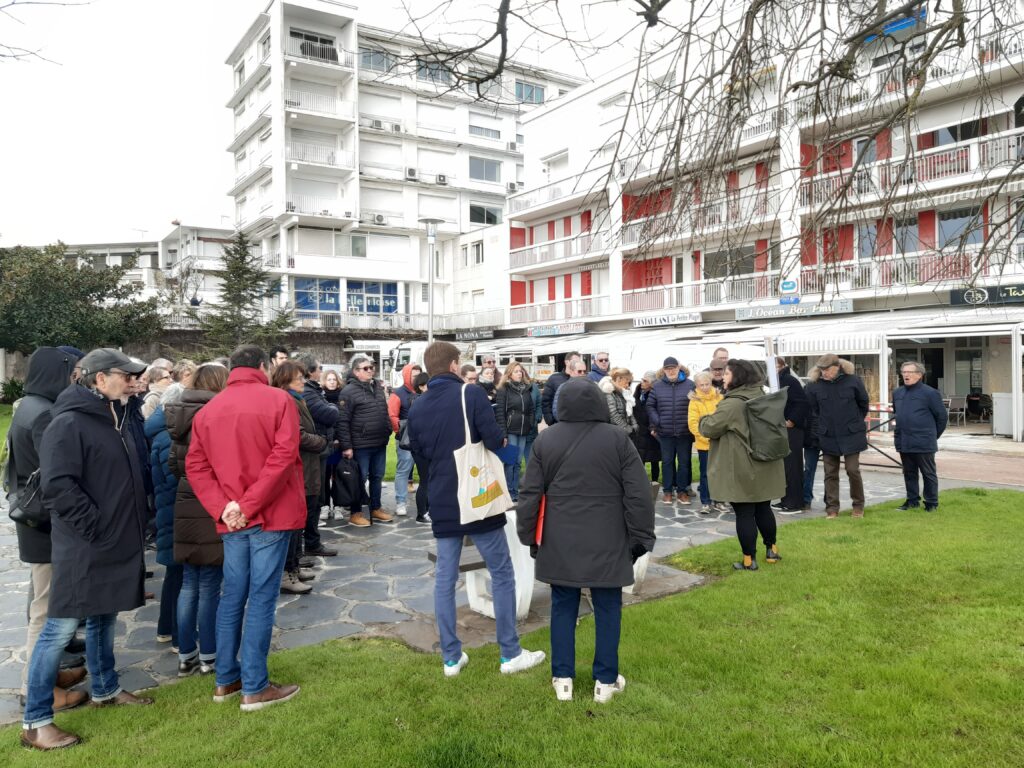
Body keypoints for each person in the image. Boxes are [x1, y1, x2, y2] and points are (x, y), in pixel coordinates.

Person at [23, 349, 153, 751]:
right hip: (84, 546)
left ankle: (106, 690)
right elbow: (59, 487)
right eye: (125, 375)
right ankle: (36, 722)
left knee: (103, 618)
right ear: (99, 379)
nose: (133, 381)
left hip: (113, 542)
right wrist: (96, 527)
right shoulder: (66, 422)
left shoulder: (117, 416)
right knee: (58, 630)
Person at [407, 341, 545, 678]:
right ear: (454, 365)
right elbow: (494, 437)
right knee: (501, 570)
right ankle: (510, 653)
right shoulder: (470, 394)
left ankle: (451, 659)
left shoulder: (418, 405)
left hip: (441, 495)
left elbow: (419, 454)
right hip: (477, 494)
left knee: (444, 578)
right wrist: (512, 458)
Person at [516, 377, 655, 703]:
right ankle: (605, 682)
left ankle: (562, 678)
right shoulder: (618, 440)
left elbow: (529, 494)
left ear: (561, 404)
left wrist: (528, 537)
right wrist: (641, 539)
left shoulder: (546, 441)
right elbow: (639, 495)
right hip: (607, 538)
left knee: (563, 606)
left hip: (560, 538)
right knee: (608, 607)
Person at [186, 345, 305, 711]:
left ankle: (227, 679)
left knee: (233, 595)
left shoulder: (209, 411)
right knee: (261, 598)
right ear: (263, 366)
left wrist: (226, 508)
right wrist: (244, 506)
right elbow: (283, 455)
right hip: (268, 514)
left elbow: (196, 466)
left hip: (234, 517)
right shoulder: (279, 400)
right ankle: (254, 685)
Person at [9, 348, 86, 721]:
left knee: (45, 603)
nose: (76, 379)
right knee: (46, 609)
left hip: (33, 521)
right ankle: (35, 688)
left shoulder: (27, 405)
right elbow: (57, 475)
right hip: (46, 527)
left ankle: (49, 673)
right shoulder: (43, 414)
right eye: (73, 373)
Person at [165, 363, 229, 678]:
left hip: (185, 500)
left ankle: (186, 653)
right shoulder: (218, 414)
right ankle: (209, 655)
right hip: (211, 502)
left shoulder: (177, 415)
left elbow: (174, 464)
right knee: (209, 584)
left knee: (189, 582)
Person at [699, 359, 785, 571]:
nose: (723, 377)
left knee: (745, 512)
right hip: (765, 461)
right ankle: (772, 551)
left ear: (737, 377)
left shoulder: (732, 403)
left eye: (727, 373)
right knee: (764, 507)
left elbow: (709, 428)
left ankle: (749, 560)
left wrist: (703, 419)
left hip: (742, 465)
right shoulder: (763, 395)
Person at [273, 361, 328, 594]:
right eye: (298, 378)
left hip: (306, 466)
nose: (303, 381)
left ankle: (294, 566)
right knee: (294, 524)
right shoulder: (287, 401)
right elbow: (298, 435)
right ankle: (287, 572)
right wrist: (321, 442)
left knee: (301, 519)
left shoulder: (298, 399)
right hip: (299, 467)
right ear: (285, 381)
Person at [806, 353, 869, 519]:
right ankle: (832, 509)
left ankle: (858, 506)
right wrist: (822, 427)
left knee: (852, 470)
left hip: (851, 434)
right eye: (821, 370)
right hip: (827, 435)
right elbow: (813, 410)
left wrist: (854, 422)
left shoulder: (853, 380)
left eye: (828, 370)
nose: (824, 373)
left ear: (838, 367)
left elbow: (863, 404)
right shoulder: (814, 385)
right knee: (830, 473)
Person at [145, 385, 183, 648]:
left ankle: (166, 628)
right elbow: (175, 479)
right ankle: (179, 638)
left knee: (174, 574)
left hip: (170, 511)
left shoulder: (162, 434)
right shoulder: (168, 438)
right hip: (175, 512)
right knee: (179, 576)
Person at [338, 354, 395, 525]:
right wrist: (347, 446)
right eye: (366, 368)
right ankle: (355, 513)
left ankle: (375, 508)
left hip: (379, 442)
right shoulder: (348, 392)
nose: (370, 370)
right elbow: (343, 421)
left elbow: (383, 410)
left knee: (377, 477)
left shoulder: (377, 387)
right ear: (356, 372)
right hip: (360, 445)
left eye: (371, 367)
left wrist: (387, 429)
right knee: (359, 479)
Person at [295, 352, 343, 546]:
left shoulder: (313, 390)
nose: (322, 371)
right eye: (320, 368)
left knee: (317, 494)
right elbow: (328, 413)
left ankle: (312, 541)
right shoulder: (307, 391)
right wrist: (334, 409)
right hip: (313, 450)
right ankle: (307, 544)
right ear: (310, 371)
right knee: (312, 496)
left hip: (321, 449)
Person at [892, 361, 946, 512]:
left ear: (920, 375)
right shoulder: (897, 393)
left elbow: (941, 418)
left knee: (928, 473)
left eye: (910, 372)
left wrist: (932, 435)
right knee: (909, 472)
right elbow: (897, 413)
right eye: (904, 372)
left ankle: (931, 503)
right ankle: (912, 500)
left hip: (923, 440)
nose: (906, 375)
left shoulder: (930, 393)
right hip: (904, 439)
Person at [646, 357, 696, 504]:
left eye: (673, 368)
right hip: (665, 431)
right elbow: (650, 406)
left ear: (678, 368)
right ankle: (667, 491)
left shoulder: (690, 384)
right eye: (668, 368)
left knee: (684, 463)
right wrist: (657, 421)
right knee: (667, 462)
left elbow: (696, 405)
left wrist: (691, 424)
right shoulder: (657, 385)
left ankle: (682, 491)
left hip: (684, 431)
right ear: (664, 370)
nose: (671, 371)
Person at [495, 361, 541, 502]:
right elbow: (500, 412)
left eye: (520, 371)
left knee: (517, 463)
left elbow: (531, 409)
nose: (519, 373)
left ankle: (515, 492)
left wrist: (531, 422)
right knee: (510, 461)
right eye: (516, 371)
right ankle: (509, 492)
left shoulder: (526, 388)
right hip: (510, 430)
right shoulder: (504, 389)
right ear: (509, 374)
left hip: (524, 430)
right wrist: (503, 433)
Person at [773, 357, 809, 513]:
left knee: (793, 466)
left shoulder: (789, 380)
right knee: (785, 467)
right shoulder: (778, 381)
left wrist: (792, 420)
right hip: (782, 428)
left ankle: (794, 502)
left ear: (781, 366)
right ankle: (785, 499)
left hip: (791, 429)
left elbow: (801, 402)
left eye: (774, 366)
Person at [388, 363, 422, 517]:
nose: (416, 378)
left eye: (418, 375)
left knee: (425, 471)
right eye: (413, 375)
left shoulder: (425, 391)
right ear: (407, 375)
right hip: (405, 439)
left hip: (423, 437)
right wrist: (401, 432)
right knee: (403, 470)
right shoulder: (398, 393)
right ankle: (401, 502)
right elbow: (392, 415)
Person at [687, 371, 724, 514]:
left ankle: (719, 500)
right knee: (706, 474)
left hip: (720, 442)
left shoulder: (719, 397)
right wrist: (706, 437)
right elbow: (693, 423)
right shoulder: (694, 401)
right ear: (696, 385)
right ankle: (706, 502)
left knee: (720, 472)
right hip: (704, 444)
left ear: (711, 383)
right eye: (701, 385)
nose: (704, 387)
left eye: (707, 384)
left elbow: (724, 417)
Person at [631, 371, 661, 483]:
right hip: (639, 430)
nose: (642, 383)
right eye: (642, 380)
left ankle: (655, 482)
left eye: (645, 381)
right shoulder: (638, 392)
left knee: (655, 459)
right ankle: (640, 482)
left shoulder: (655, 394)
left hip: (651, 430)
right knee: (640, 458)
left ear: (652, 383)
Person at [410, 372, 431, 523]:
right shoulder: (420, 402)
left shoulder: (422, 400)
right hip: (421, 448)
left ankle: (428, 511)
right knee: (425, 481)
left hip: (424, 447)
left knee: (429, 480)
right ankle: (421, 513)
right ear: (422, 386)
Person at [541, 352, 580, 426]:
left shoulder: (581, 378)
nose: (577, 364)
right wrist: (550, 420)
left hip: (576, 423)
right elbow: (546, 401)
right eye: (575, 361)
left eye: (579, 362)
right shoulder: (554, 379)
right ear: (566, 362)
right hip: (558, 423)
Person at [599, 368, 637, 435]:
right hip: (615, 433)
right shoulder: (609, 392)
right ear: (619, 379)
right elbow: (613, 415)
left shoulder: (624, 393)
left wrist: (635, 425)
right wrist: (627, 429)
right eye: (626, 382)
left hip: (623, 432)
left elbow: (630, 412)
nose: (627, 385)